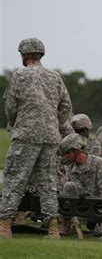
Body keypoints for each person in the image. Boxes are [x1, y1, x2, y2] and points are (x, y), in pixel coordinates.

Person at [0, 38, 73, 239]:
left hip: (26, 135)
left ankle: (5, 226)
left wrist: (15, 123)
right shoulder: (55, 77)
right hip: (50, 137)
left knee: (15, 179)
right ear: (40, 54)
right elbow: (65, 107)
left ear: (24, 55)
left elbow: (11, 106)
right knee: (48, 183)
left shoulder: (19, 76)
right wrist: (54, 124)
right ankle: (53, 229)